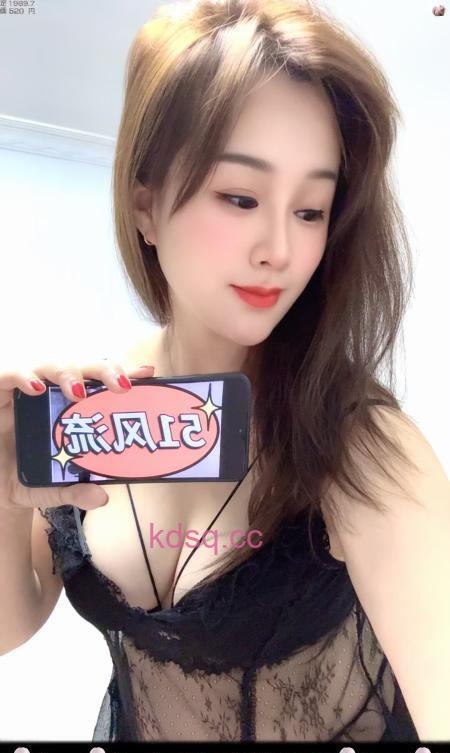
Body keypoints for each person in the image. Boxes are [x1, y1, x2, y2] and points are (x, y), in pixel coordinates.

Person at [1, 0, 449, 744]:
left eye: (311, 210)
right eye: (240, 197)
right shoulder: (97, 407)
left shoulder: (361, 444)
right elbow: (11, 627)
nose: (280, 248)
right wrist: (6, 500)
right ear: (145, 205)